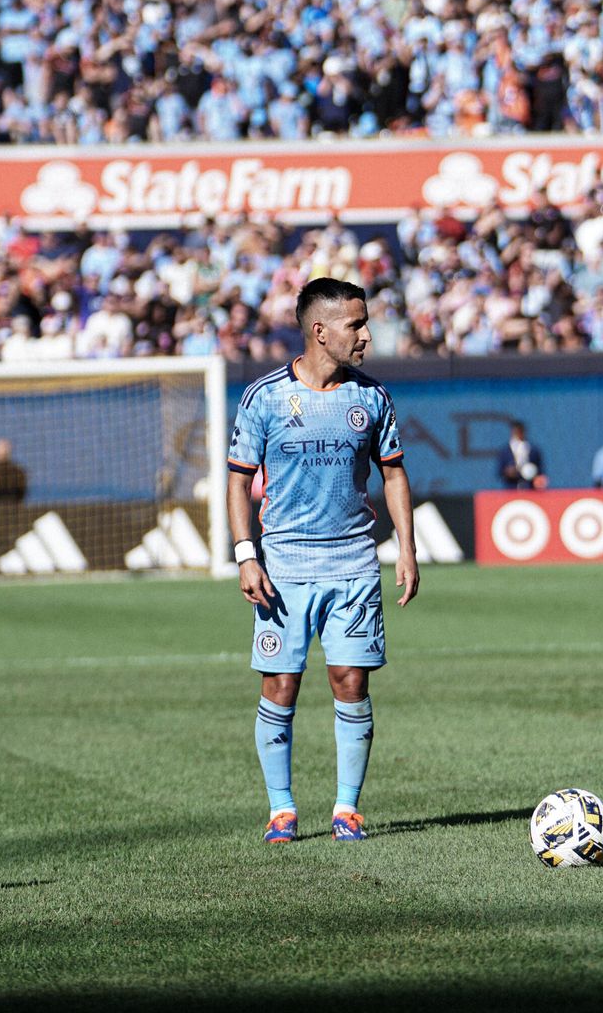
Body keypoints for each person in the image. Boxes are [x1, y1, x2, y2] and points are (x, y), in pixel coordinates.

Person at [227, 277, 419, 844]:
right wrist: (245, 555)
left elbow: (393, 474)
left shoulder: (372, 397)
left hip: (353, 564)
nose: (366, 335)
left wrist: (407, 548)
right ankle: (281, 810)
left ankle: (347, 809)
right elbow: (237, 482)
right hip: (284, 567)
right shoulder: (264, 397)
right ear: (320, 330)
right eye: (356, 324)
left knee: (350, 680)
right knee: (280, 685)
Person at [497, 419, 547, 490]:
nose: (518, 434)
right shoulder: (505, 451)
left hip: (530, 488)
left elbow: (540, 471)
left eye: (520, 431)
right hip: (511, 489)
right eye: (516, 432)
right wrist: (508, 472)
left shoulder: (533, 450)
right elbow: (500, 471)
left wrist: (534, 476)